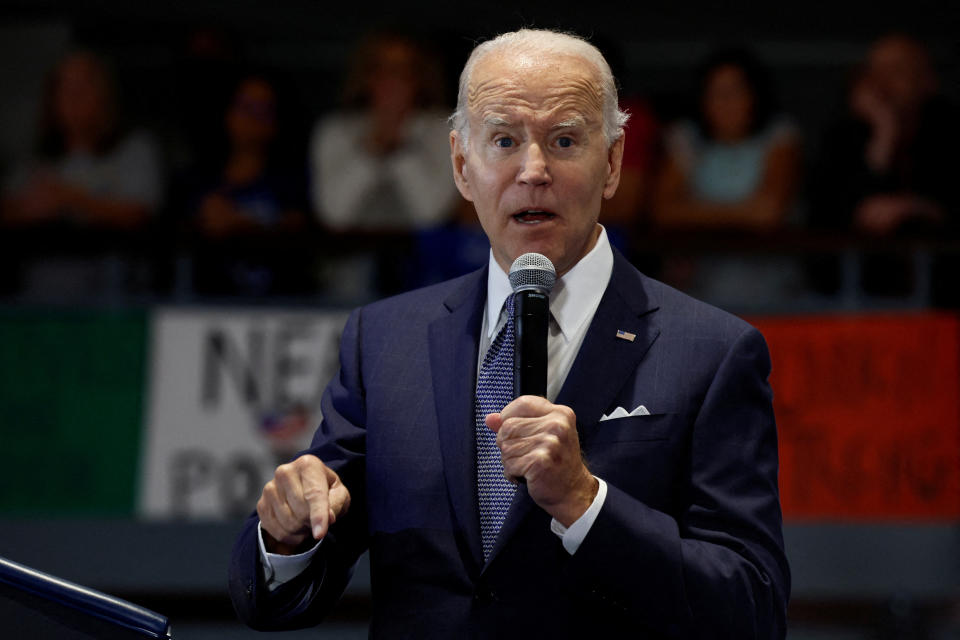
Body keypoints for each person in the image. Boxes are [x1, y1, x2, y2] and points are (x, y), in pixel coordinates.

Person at [230, 29, 789, 638]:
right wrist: (283, 534)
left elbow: (751, 610)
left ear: (613, 162)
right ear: (462, 165)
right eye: (503, 141)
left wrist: (585, 504)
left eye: (565, 140)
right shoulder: (384, 340)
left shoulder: (711, 352)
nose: (533, 170)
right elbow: (284, 599)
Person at [651, 48, 803, 308]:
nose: (725, 103)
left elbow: (768, 212)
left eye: (735, 93)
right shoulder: (687, 138)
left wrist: (693, 213)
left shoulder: (779, 135)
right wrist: (744, 214)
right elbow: (662, 211)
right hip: (698, 291)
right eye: (715, 94)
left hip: (771, 292)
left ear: (755, 96)